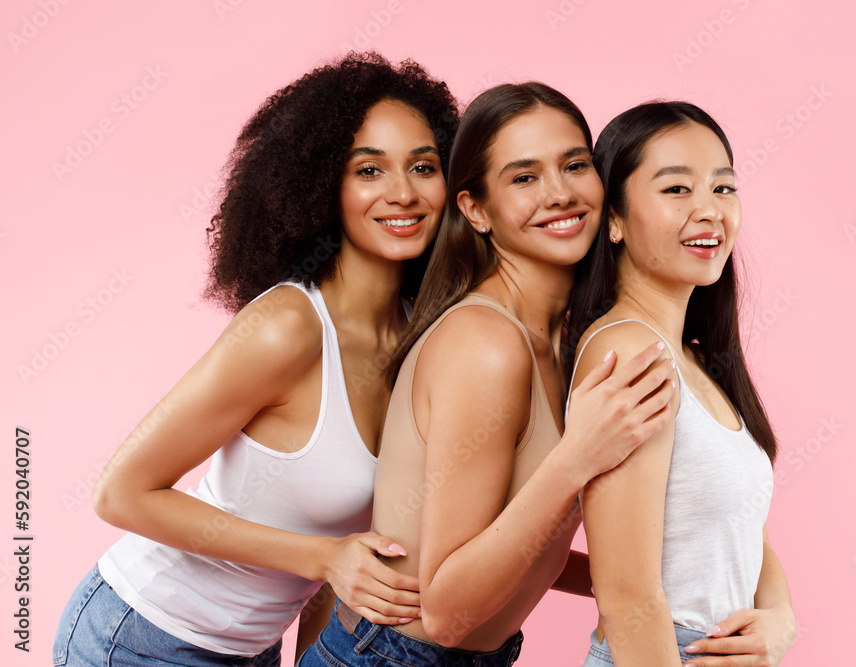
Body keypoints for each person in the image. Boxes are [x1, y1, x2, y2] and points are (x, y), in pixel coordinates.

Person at [53, 52, 459, 667]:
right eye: (369, 169)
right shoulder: (286, 328)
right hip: (141, 634)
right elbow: (121, 494)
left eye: (423, 166)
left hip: (251, 648)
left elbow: (347, 552)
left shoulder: (416, 338)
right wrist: (325, 558)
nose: (403, 192)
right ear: (323, 184)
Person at [298, 82, 677, 667]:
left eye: (574, 165)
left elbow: (516, 545)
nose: (559, 193)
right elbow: (447, 612)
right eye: (523, 178)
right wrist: (576, 459)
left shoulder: (571, 340)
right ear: (475, 209)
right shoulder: (486, 343)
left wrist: (650, 589)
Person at [566, 101, 796, 667]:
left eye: (723, 188)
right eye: (675, 190)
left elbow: (737, 519)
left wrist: (780, 617)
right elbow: (627, 597)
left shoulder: (692, 360)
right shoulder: (628, 352)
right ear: (613, 220)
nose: (709, 211)